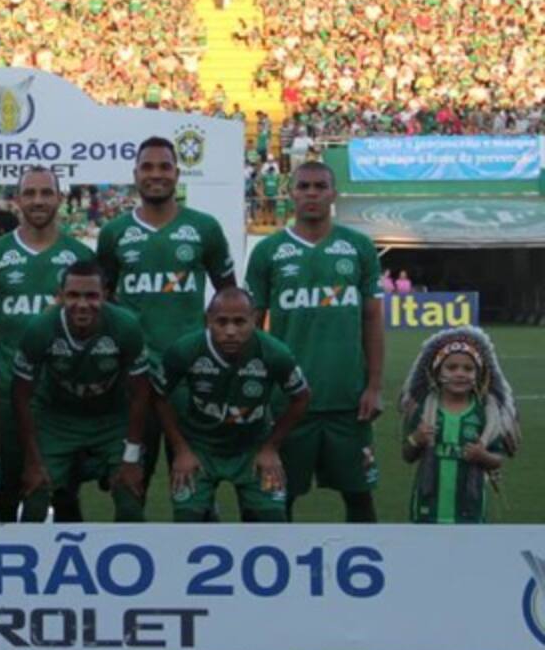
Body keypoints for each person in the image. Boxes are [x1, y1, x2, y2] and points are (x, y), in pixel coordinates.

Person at [244, 161, 384, 522]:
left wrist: (373, 386)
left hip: (348, 401)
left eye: (320, 186)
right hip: (287, 403)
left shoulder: (358, 247)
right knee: (278, 502)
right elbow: (252, 329)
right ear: (290, 193)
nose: (311, 193)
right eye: (303, 186)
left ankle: (363, 576)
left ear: (333, 194)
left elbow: (371, 318)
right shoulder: (268, 252)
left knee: (360, 499)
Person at [97, 137, 236, 496]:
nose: (156, 174)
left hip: (190, 378)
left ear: (177, 173)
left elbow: (229, 298)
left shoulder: (205, 228)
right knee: (130, 488)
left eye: (164, 167)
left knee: (195, 491)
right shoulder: (114, 233)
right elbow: (104, 304)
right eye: (147, 167)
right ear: (135, 174)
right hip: (134, 378)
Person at [0, 166, 95, 521]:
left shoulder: (80, 256)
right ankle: (4, 572)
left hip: (64, 395)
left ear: (60, 199)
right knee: (7, 490)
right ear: (18, 200)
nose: (39, 200)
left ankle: (68, 571)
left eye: (47, 193)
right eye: (30, 193)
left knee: (65, 494)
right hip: (8, 393)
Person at [154, 288, 310, 522]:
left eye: (239, 322)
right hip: (200, 447)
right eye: (221, 322)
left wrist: (270, 448)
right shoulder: (185, 350)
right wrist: (182, 450)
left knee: (271, 521)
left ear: (254, 319)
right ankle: (207, 511)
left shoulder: (275, 353)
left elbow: (302, 397)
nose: (230, 331)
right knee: (186, 522)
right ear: (208, 320)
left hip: (253, 447)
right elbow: (158, 395)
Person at [13, 260, 153, 522]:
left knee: (130, 500)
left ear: (106, 295)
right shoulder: (40, 328)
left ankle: (126, 560)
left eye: (91, 295)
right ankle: (34, 560)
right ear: (61, 295)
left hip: (112, 419)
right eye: (73, 295)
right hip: (56, 419)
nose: (82, 304)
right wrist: (32, 461)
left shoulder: (125, 326)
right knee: (35, 497)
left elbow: (141, 393)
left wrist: (131, 457)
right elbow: (21, 395)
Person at [399, 327, 519, 524]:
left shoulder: (486, 414)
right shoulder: (425, 409)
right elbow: (407, 455)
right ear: (438, 372)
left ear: (478, 374)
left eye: (468, 369)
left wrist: (483, 456)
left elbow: (497, 460)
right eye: (452, 367)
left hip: (469, 510)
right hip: (427, 509)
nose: (460, 374)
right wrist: (416, 439)